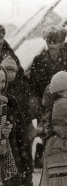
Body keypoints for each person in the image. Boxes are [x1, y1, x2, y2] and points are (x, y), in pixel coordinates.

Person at [29, 26, 67, 168]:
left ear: (61, 42)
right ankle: (47, 163)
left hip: (64, 105)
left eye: (56, 41)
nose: (52, 45)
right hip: (44, 106)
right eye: (50, 41)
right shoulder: (39, 60)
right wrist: (39, 105)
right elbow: (33, 86)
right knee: (47, 135)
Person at [39, 71, 67, 186]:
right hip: (62, 148)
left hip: (52, 147)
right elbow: (62, 130)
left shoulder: (50, 107)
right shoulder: (63, 104)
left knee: (52, 182)